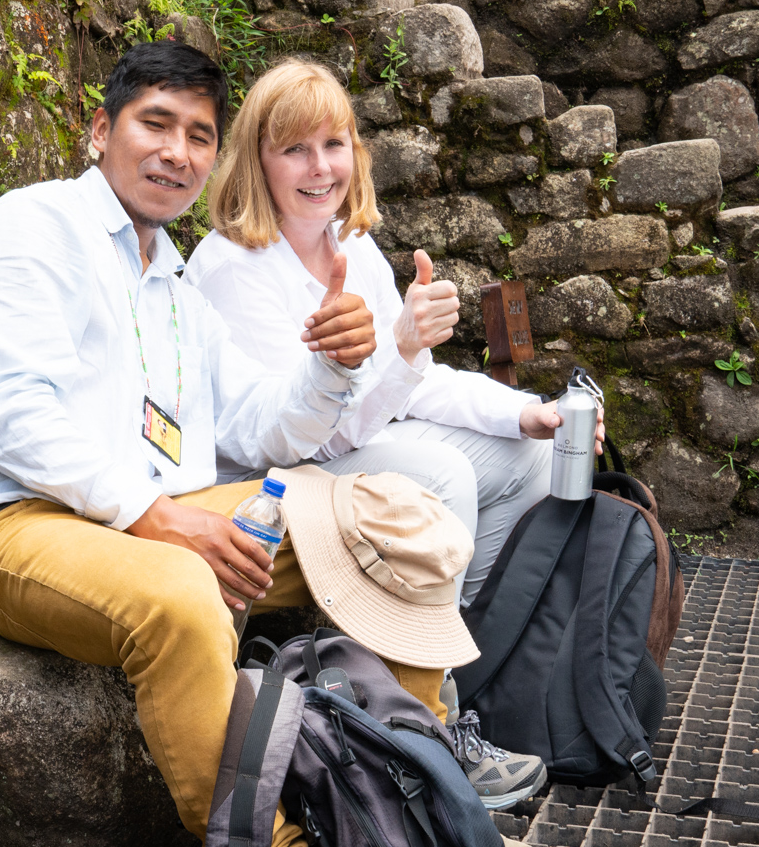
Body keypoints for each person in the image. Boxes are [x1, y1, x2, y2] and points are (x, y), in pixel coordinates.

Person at [0, 42, 546, 847]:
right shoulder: (27, 230)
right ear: (101, 127)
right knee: (175, 590)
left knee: (392, 508)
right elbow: (7, 417)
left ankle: (421, 803)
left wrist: (338, 365)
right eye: (153, 123)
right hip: (25, 528)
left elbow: (261, 422)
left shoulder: (172, 278)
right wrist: (157, 517)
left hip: (190, 505)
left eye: (197, 135)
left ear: (213, 159)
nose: (174, 151)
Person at [185, 57, 602, 800]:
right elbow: (307, 437)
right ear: (258, 161)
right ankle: (430, 724)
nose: (321, 168)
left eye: (334, 144)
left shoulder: (350, 248)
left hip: (335, 453)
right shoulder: (231, 268)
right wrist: (403, 351)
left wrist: (524, 412)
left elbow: (416, 386)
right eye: (295, 149)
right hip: (261, 486)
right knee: (438, 479)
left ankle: (449, 665)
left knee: (527, 458)